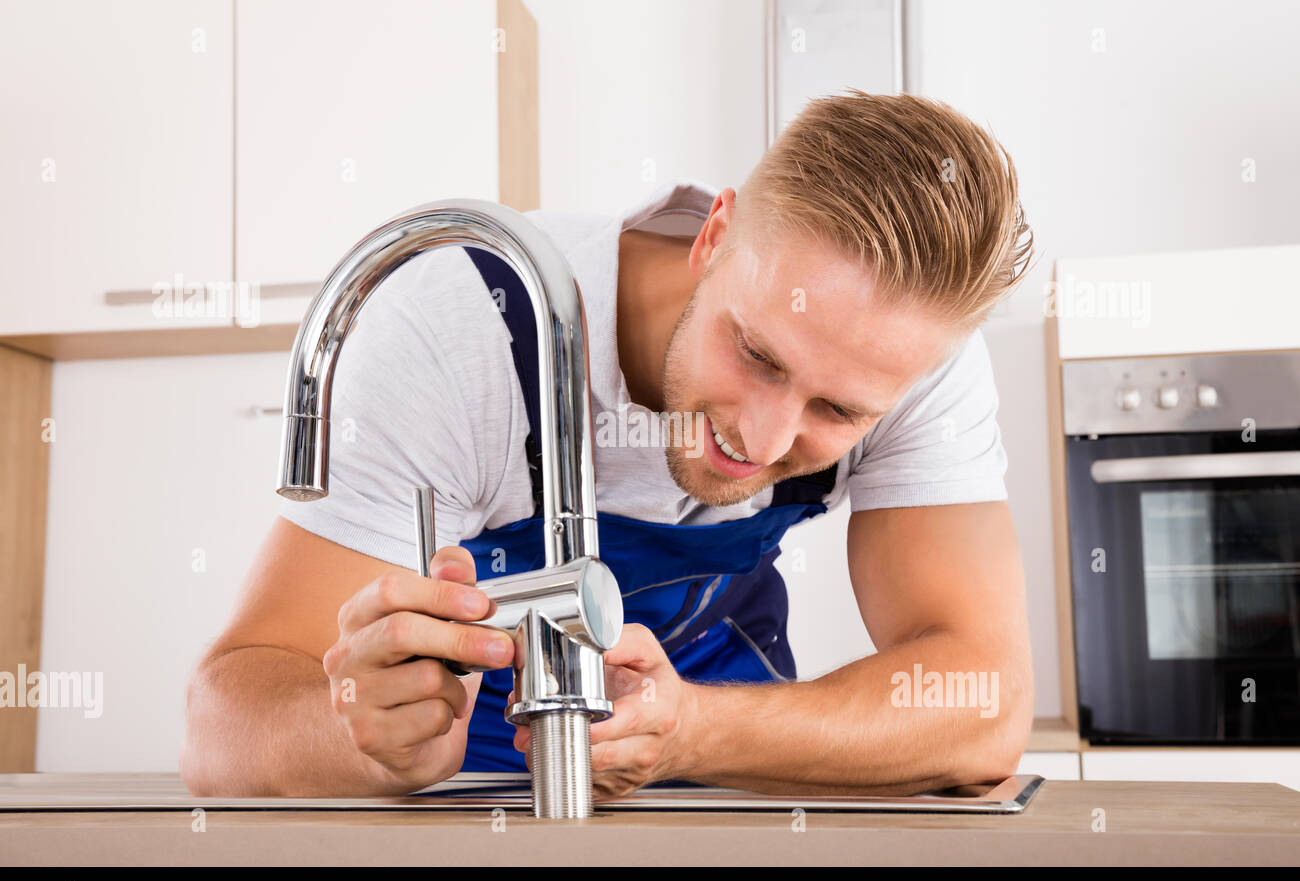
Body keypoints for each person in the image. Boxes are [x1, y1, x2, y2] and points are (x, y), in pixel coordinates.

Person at [181, 90, 1036, 798]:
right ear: (715, 236)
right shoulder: (463, 327)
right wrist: (360, 734)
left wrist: (695, 730)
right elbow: (220, 726)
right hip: (458, 809)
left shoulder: (914, 355)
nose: (763, 439)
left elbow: (985, 703)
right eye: (757, 356)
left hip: (733, 793)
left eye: (839, 413)